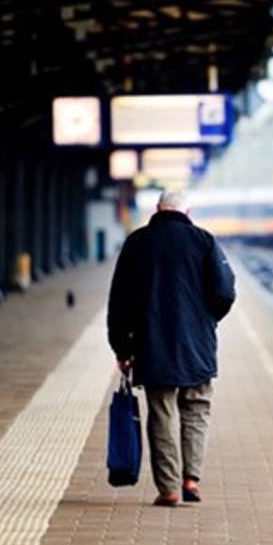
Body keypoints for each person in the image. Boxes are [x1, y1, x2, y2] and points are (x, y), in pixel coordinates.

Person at [107, 188, 236, 507]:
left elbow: (119, 302)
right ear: (187, 213)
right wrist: (207, 319)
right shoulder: (204, 241)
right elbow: (225, 291)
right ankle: (192, 479)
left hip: (152, 342)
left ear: (157, 209)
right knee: (196, 408)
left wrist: (122, 349)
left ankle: (169, 489)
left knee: (161, 413)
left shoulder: (137, 242)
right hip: (197, 343)